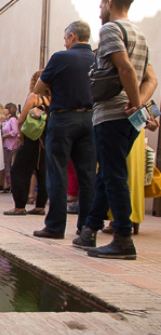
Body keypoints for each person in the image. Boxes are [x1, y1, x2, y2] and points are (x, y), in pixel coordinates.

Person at [74, 0, 156, 259]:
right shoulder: (139, 34)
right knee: (107, 173)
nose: (99, 11)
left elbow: (125, 68)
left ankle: (122, 238)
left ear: (109, 3)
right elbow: (151, 78)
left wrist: (133, 101)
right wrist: (139, 103)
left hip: (112, 115)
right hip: (130, 118)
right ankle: (91, 228)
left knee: (114, 176)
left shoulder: (110, 30)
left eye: (100, 5)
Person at [33, 20, 96, 239]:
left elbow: (37, 89)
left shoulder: (60, 57)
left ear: (72, 37)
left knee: (58, 172)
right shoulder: (96, 58)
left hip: (63, 118)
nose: (64, 41)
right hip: (90, 118)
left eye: (65, 37)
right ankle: (86, 228)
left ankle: (55, 226)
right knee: (87, 176)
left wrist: (55, 87)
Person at [5, 71, 49, 216]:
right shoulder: (53, 97)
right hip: (47, 139)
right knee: (42, 172)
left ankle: (19, 206)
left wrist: (21, 138)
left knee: (18, 170)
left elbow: (22, 119)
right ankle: (40, 206)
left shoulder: (34, 97)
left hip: (32, 139)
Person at [1, 103, 20, 193]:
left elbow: (15, 131)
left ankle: (12, 184)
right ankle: (9, 184)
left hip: (12, 145)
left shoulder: (13, 120)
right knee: (7, 164)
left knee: (10, 164)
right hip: (6, 145)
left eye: (6, 108)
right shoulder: (7, 120)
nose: (4, 110)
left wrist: (5, 136)